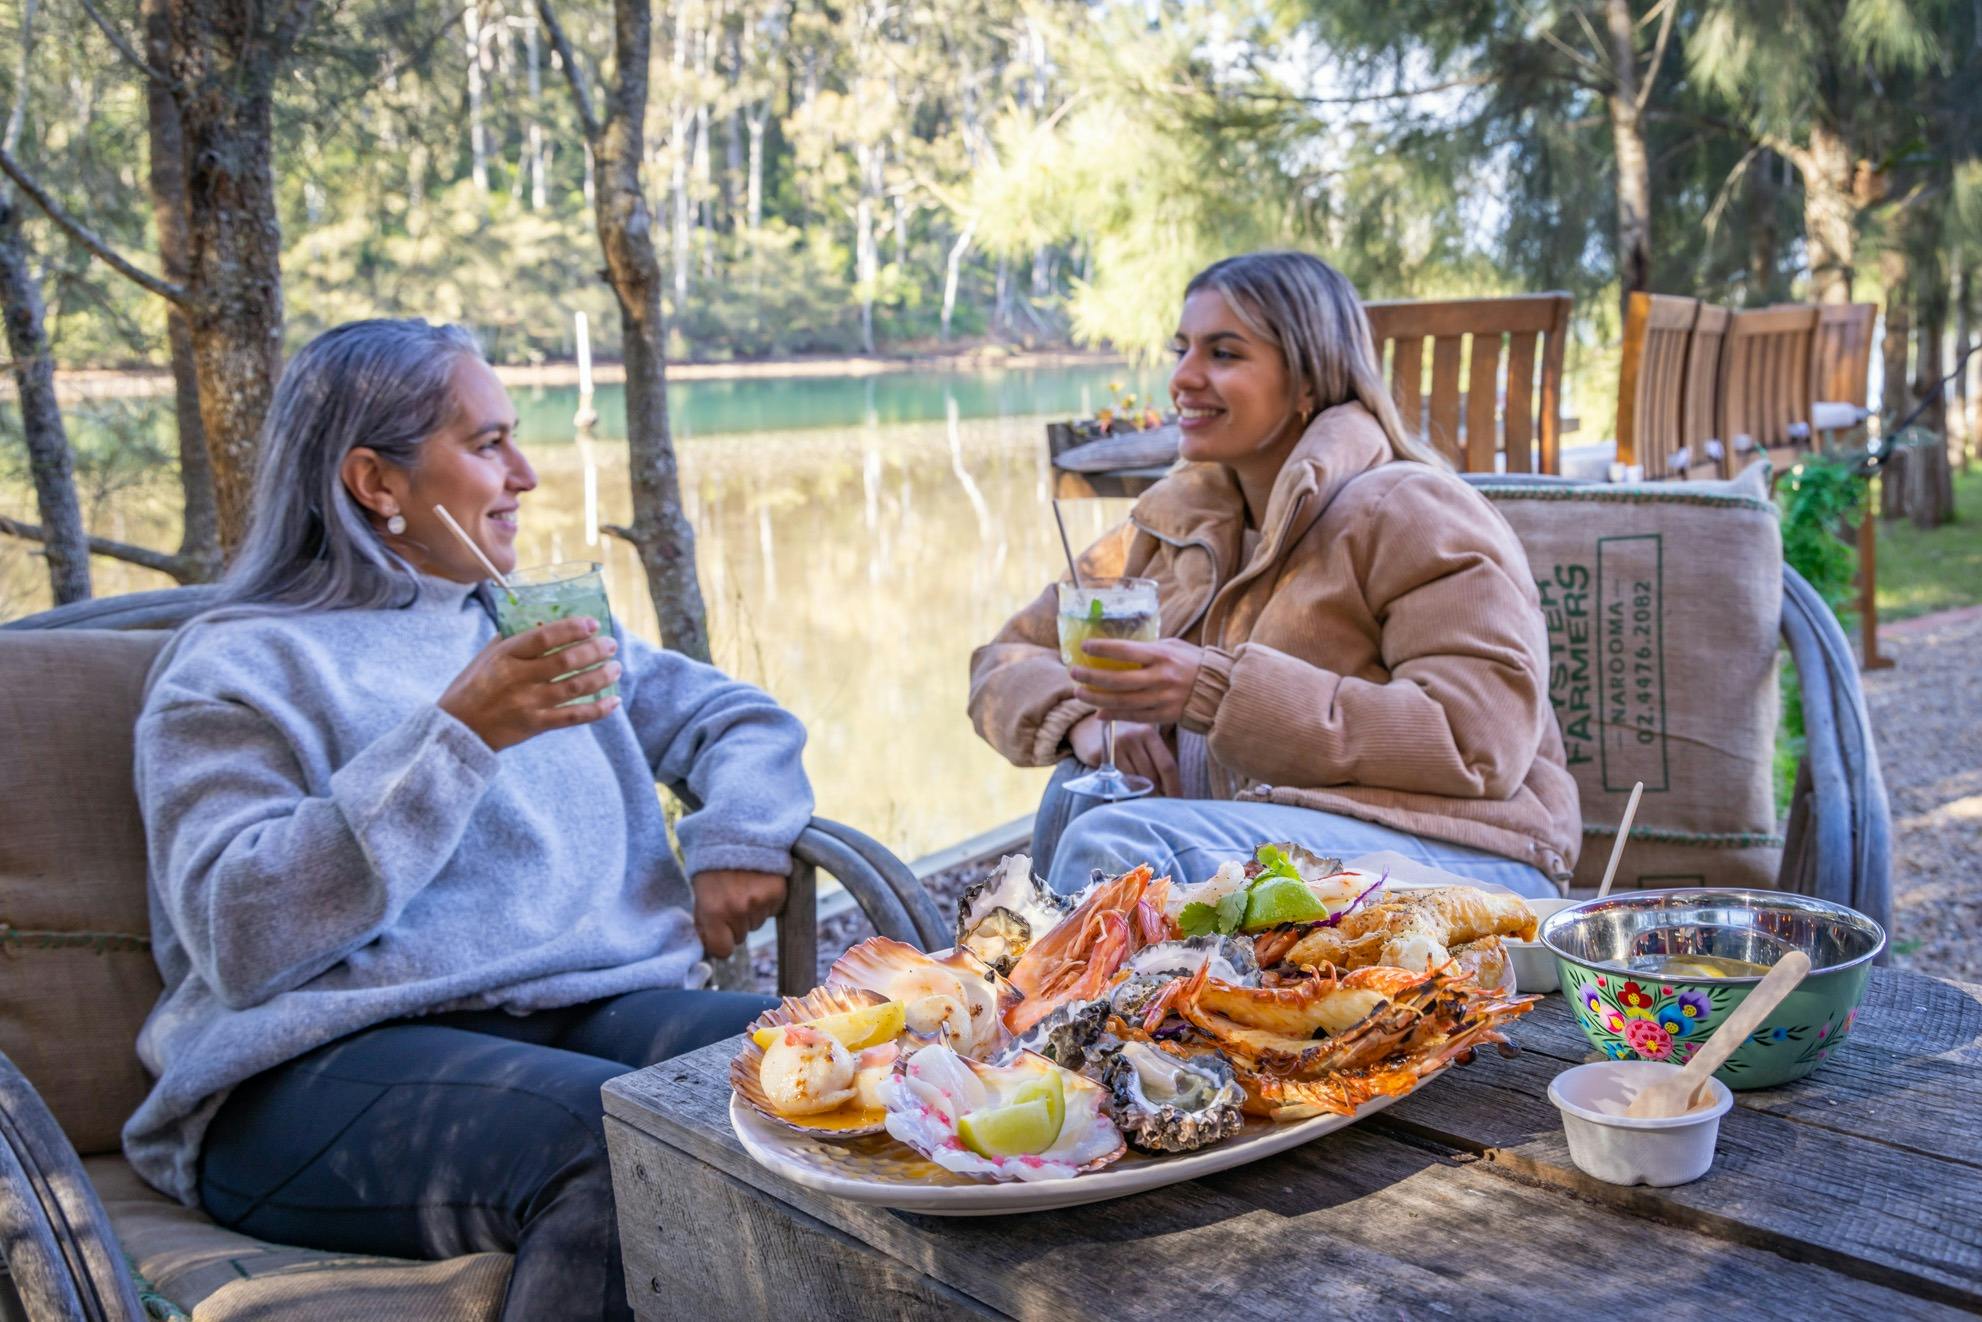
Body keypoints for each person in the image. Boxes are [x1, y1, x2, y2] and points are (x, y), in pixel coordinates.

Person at [127, 319, 806, 1321]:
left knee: (823, 1071)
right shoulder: (239, 664)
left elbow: (733, 717)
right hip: (306, 1073)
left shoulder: (522, 621)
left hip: (575, 1011)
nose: (524, 472)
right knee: (619, 1138)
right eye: (487, 444)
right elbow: (243, 929)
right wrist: (458, 732)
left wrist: (735, 839)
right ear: (376, 482)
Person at [969, 251, 1581, 900]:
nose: (1183, 377)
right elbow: (1003, 662)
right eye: (1183, 350)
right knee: (1079, 794)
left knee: (1126, 843)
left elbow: (1478, 740)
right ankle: (1064, 998)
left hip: (1467, 856)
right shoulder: (1179, 522)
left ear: (1309, 380)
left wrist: (1214, 693)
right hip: (1278, 841)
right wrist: (1083, 720)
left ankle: (1061, 1000)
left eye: (1224, 354)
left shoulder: (1409, 510)